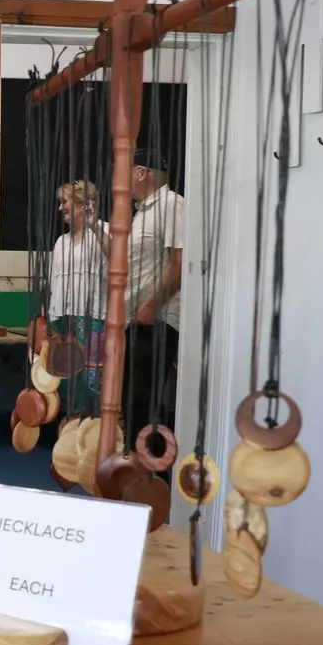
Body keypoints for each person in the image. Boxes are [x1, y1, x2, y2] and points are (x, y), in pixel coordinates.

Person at [122, 156, 185, 444]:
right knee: (133, 405)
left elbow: (179, 263)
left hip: (156, 322)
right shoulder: (142, 213)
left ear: (141, 172)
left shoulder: (171, 204)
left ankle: (151, 482)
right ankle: (135, 478)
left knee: (144, 406)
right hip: (138, 321)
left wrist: (149, 308)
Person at [47, 179, 106, 413]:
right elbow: (55, 282)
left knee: (91, 380)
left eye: (65, 202)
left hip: (92, 318)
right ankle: (72, 435)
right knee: (67, 379)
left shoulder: (103, 232)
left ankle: (95, 432)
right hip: (64, 318)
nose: (61, 208)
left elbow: (119, 256)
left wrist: (94, 226)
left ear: (83, 205)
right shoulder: (61, 241)